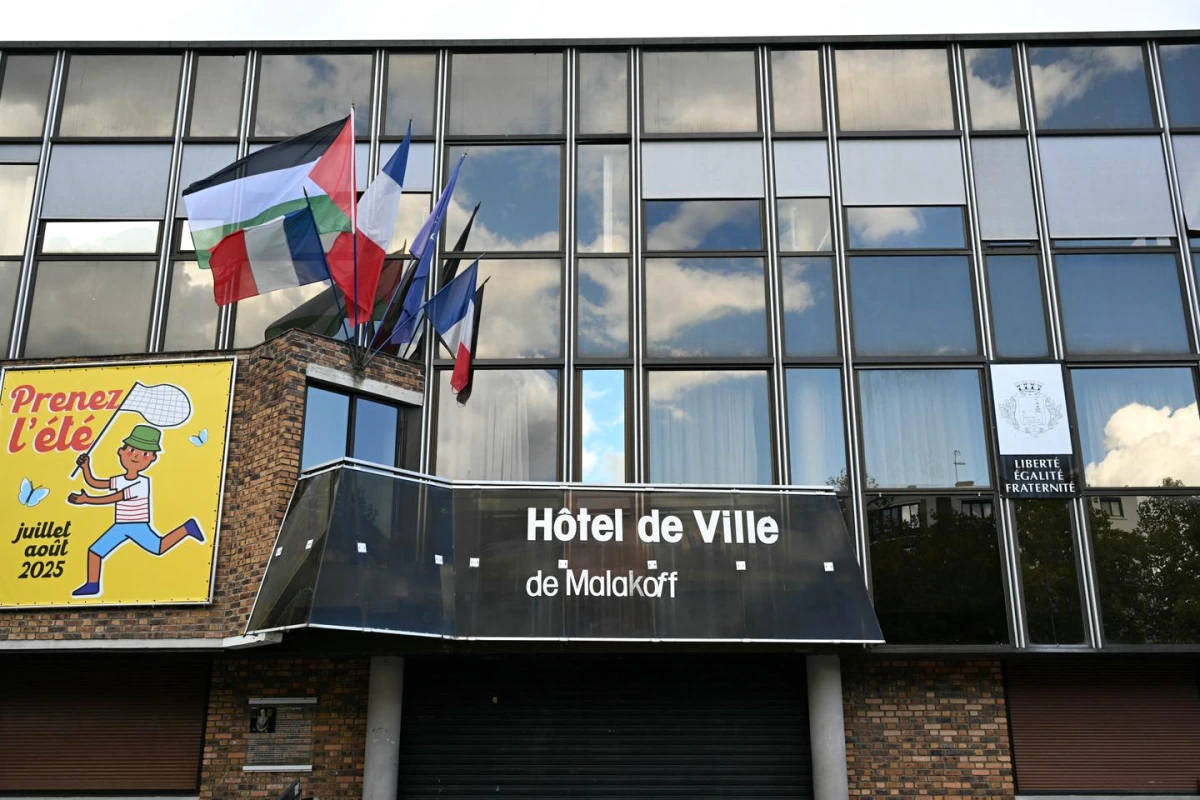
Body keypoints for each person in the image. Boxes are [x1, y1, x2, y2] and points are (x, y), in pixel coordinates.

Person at [68, 424, 204, 597]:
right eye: (131, 450)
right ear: (120, 451)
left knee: (158, 548)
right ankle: (92, 584)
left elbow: (114, 498)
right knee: (95, 551)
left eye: (145, 454)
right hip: (120, 525)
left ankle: (187, 528)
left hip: (137, 525)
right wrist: (86, 467)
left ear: (152, 458)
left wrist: (87, 500)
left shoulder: (141, 483)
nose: (136, 456)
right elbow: (95, 483)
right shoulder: (120, 479)